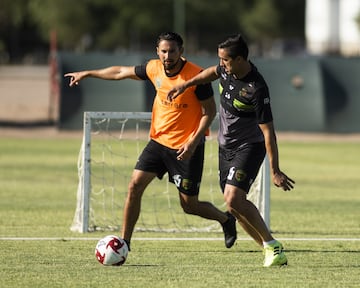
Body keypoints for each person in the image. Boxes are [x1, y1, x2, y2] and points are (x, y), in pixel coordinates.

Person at [64, 32, 237, 251]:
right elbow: (120, 72)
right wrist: (88, 73)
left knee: (189, 205)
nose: (168, 55)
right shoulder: (153, 68)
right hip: (158, 143)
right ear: (157, 52)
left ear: (181, 52)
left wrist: (193, 142)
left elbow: (210, 112)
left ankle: (226, 220)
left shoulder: (196, 76)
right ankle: (124, 243)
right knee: (134, 185)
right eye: (163, 51)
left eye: (172, 51)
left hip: (187, 147)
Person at [167, 34, 295, 267]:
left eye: (225, 60)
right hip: (225, 146)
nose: (221, 64)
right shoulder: (227, 70)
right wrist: (186, 84)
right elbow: (212, 72)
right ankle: (270, 249)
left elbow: (268, 132)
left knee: (233, 197)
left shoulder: (257, 89)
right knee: (234, 207)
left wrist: (275, 170)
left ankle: (273, 246)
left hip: (249, 146)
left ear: (239, 59)